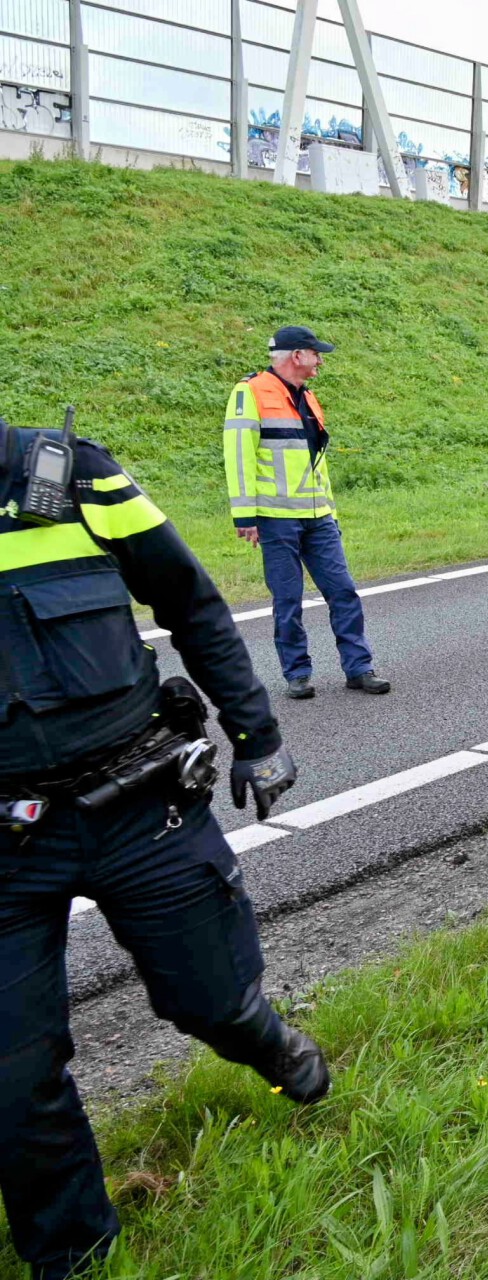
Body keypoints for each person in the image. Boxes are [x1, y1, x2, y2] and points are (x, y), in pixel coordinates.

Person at [0, 413, 323, 1280]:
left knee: (211, 1003)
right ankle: (75, 1257)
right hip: (6, 847)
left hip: (143, 807)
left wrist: (255, 736)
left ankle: (265, 1042)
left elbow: (190, 604)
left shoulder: (72, 477)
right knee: (12, 1077)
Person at [223, 326, 390, 699]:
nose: (320, 361)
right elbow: (238, 456)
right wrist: (244, 516)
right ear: (297, 355)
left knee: (343, 591)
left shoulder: (309, 397)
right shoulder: (249, 392)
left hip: (319, 517)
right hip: (275, 518)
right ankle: (297, 674)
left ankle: (359, 668)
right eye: (316, 354)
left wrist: (331, 510)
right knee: (288, 600)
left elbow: (317, 463)